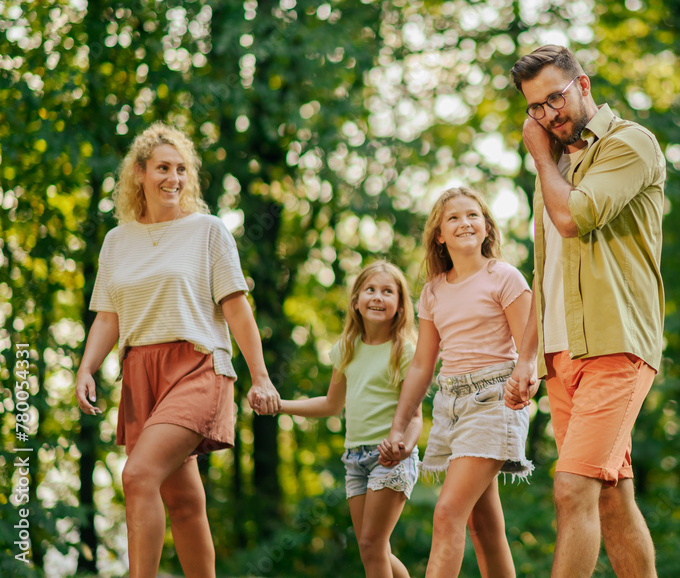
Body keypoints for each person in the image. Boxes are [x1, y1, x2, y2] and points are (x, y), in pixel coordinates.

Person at [75, 122, 280, 578]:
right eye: (163, 168)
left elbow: (236, 308)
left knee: (138, 475)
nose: (174, 178)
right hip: (141, 373)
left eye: (182, 169)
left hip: (198, 367)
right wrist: (87, 367)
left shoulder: (207, 231)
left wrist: (261, 376)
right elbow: (108, 317)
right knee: (183, 502)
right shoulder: (116, 241)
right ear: (140, 174)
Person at [504, 44, 666, 578]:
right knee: (610, 498)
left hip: (615, 344)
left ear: (584, 86)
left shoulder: (630, 143)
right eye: (536, 107)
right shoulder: (553, 167)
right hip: (560, 352)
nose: (550, 114)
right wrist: (527, 358)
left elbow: (576, 218)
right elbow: (544, 271)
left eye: (556, 97)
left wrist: (538, 157)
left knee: (572, 488)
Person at [379, 186, 533, 578]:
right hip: (450, 408)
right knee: (483, 527)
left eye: (472, 215)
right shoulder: (433, 291)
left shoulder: (505, 277)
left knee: (447, 511)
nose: (464, 222)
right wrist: (399, 426)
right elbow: (421, 367)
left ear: (486, 227)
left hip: (493, 400)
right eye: (453, 217)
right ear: (439, 235)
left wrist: (526, 379)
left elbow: (530, 348)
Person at [279, 260, 421, 578]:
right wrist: (282, 406)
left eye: (388, 291)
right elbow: (331, 404)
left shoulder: (405, 352)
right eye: (370, 289)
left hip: (391, 459)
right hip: (355, 459)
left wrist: (403, 447)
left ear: (399, 306)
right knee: (373, 548)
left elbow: (416, 417)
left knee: (372, 545)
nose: (377, 297)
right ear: (356, 301)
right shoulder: (346, 349)